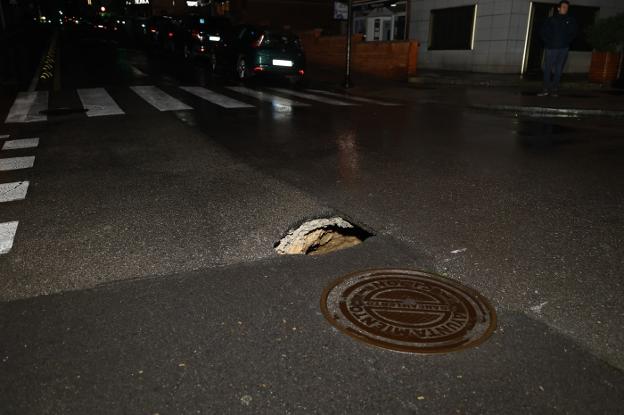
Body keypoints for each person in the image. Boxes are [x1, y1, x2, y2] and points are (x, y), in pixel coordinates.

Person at [538, 1, 578, 97]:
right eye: (564, 7)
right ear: (558, 8)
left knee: (559, 69)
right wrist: (549, 43)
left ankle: (554, 89)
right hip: (551, 48)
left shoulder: (570, 20)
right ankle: (545, 89)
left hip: (563, 48)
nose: (565, 9)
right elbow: (543, 32)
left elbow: (574, 33)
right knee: (547, 68)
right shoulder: (551, 19)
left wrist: (567, 42)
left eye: (567, 7)